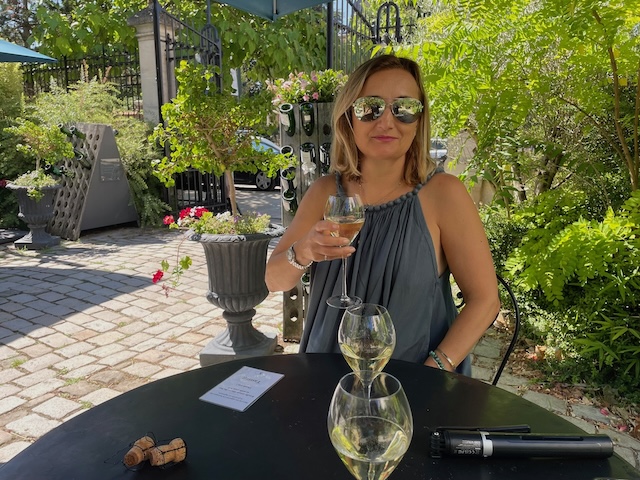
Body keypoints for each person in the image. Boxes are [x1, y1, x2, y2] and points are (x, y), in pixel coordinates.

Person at [265, 54, 499, 375]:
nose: (386, 121)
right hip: (325, 376)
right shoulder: (324, 192)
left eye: (404, 108)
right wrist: (303, 251)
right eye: (370, 107)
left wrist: (434, 370)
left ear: (419, 121)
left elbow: (485, 300)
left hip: (411, 383)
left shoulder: (444, 194)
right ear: (349, 116)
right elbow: (273, 280)